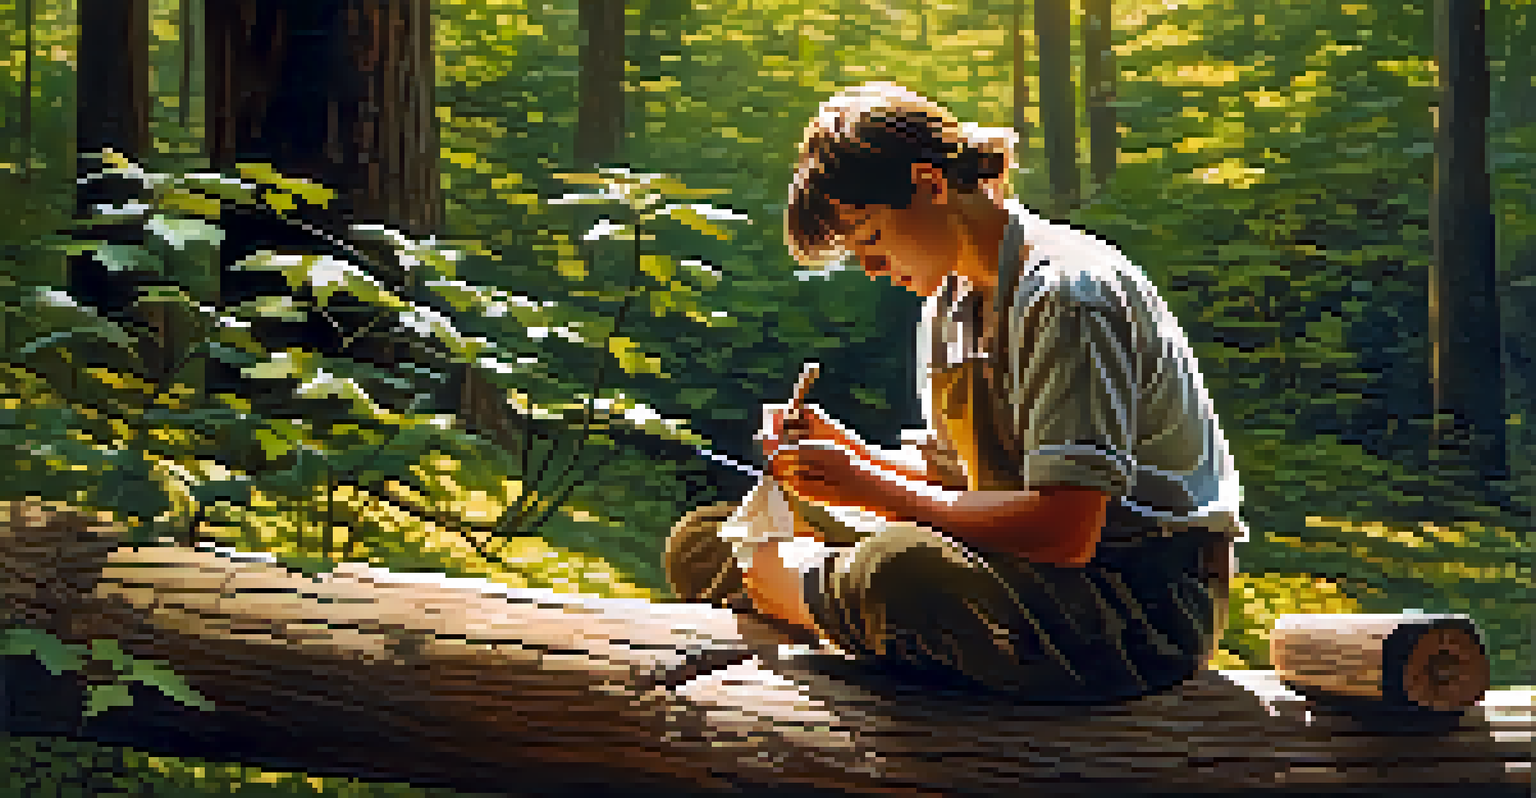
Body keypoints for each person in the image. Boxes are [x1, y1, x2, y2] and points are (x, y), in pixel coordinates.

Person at [664, 82, 1246, 702]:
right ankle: (829, 599)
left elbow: (1065, 529)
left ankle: (803, 593)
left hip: (1132, 604)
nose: (870, 267)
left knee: (899, 571)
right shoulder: (950, 302)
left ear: (930, 186)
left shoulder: (1070, 297)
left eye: (870, 238)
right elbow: (953, 474)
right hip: (1016, 571)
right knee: (703, 539)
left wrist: (862, 487)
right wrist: (848, 453)